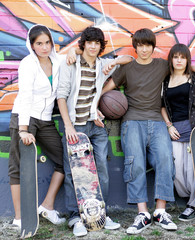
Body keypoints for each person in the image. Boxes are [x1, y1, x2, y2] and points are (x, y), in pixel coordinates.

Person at [102, 28, 195, 235]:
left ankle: (160, 211)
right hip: (132, 122)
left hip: (159, 122)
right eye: (140, 45)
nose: (144, 49)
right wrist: (97, 108)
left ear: (153, 47)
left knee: (166, 161)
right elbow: (107, 89)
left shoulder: (161, 66)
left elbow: (182, 66)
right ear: (136, 47)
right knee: (135, 165)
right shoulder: (127, 68)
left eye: (147, 45)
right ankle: (142, 214)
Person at [57, 26, 133, 237]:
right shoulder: (70, 63)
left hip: (96, 126)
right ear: (83, 44)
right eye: (89, 42)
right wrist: (69, 126)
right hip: (75, 126)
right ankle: (75, 217)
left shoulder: (102, 65)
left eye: (97, 43)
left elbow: (128, 58)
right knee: (74, 174)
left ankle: (100, 213)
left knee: (101, 171)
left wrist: (114, 62)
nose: (93, 46)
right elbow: (61, 97)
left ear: (101, 46)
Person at [8, 24, 66, 230]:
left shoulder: (57, 60)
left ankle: (47, 206)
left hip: (45, 120)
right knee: (19, 166)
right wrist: (23, 129)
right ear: (32, 45)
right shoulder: (27, 64)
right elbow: (24, 96)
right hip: (25, 117)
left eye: (47, 42)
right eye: (39, 43)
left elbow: (77, 51)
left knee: (64, 160)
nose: (44, 47)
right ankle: (19, 217)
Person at [161, 43, 195, 221]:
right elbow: (162, 107)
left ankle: (193, 204)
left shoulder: (194, 77)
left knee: (193, 170)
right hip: (175, 130)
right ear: (171, 59)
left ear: (187, 59)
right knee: (177, 173)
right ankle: (189, 198)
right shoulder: (165, 80)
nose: (179, 60)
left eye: (183, 57)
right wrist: (168, 125)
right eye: (176, 57)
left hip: (194, 128)